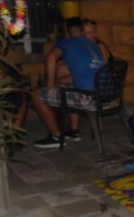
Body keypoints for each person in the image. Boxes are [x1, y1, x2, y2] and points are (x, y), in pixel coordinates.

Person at [31, 17, 105, 149]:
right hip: (104, 94)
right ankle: (73, 131)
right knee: (68, 86)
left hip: (89, 98)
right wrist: (57, 81)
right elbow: (84, 74)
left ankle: (56, 136)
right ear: (82, 30)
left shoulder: (66, 43)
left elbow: (50, 58)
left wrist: (50, 84)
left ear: (67, 31)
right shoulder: (93, 45)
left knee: (36, 94)